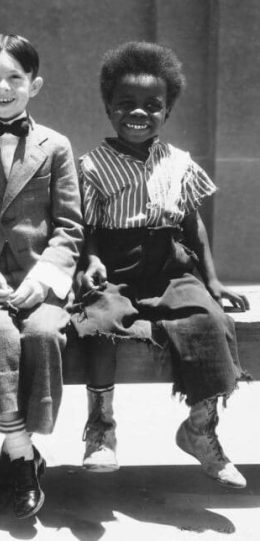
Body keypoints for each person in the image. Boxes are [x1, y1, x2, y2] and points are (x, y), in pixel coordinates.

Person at [74, 41, 250, 488]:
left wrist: (212, 280)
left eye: (152, 105)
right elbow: (87, 226)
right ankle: (101, 429)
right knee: (98, 324)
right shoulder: (92, 166)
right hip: (113, 267)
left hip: (170, 266)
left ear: (168, 110)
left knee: (210, 318)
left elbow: (193, 224)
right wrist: (90, 259)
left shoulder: (180, 163)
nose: (139, 113)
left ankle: (200, 429)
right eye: (126, 103)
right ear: (108, 107)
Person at [0, 34, 84, 519]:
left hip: (40, 277)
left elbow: (69, 226)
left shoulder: (56, 146)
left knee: (43, 334)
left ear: (34, 85)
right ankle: (22, 451)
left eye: (15, 78)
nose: (3, 88)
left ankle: (15, 454)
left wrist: (44, 278)